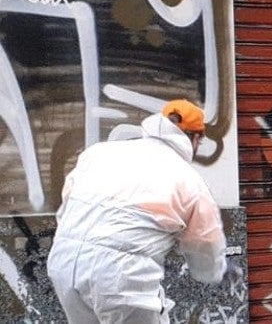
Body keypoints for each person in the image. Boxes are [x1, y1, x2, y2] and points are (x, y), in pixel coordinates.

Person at [48, 99, 227, 323]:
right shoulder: (189, 180)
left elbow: (67, 204)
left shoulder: (99, 153)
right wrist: (211, 273)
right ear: (197, 138)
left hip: (63, 262)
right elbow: (205, 247)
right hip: (120, 276)